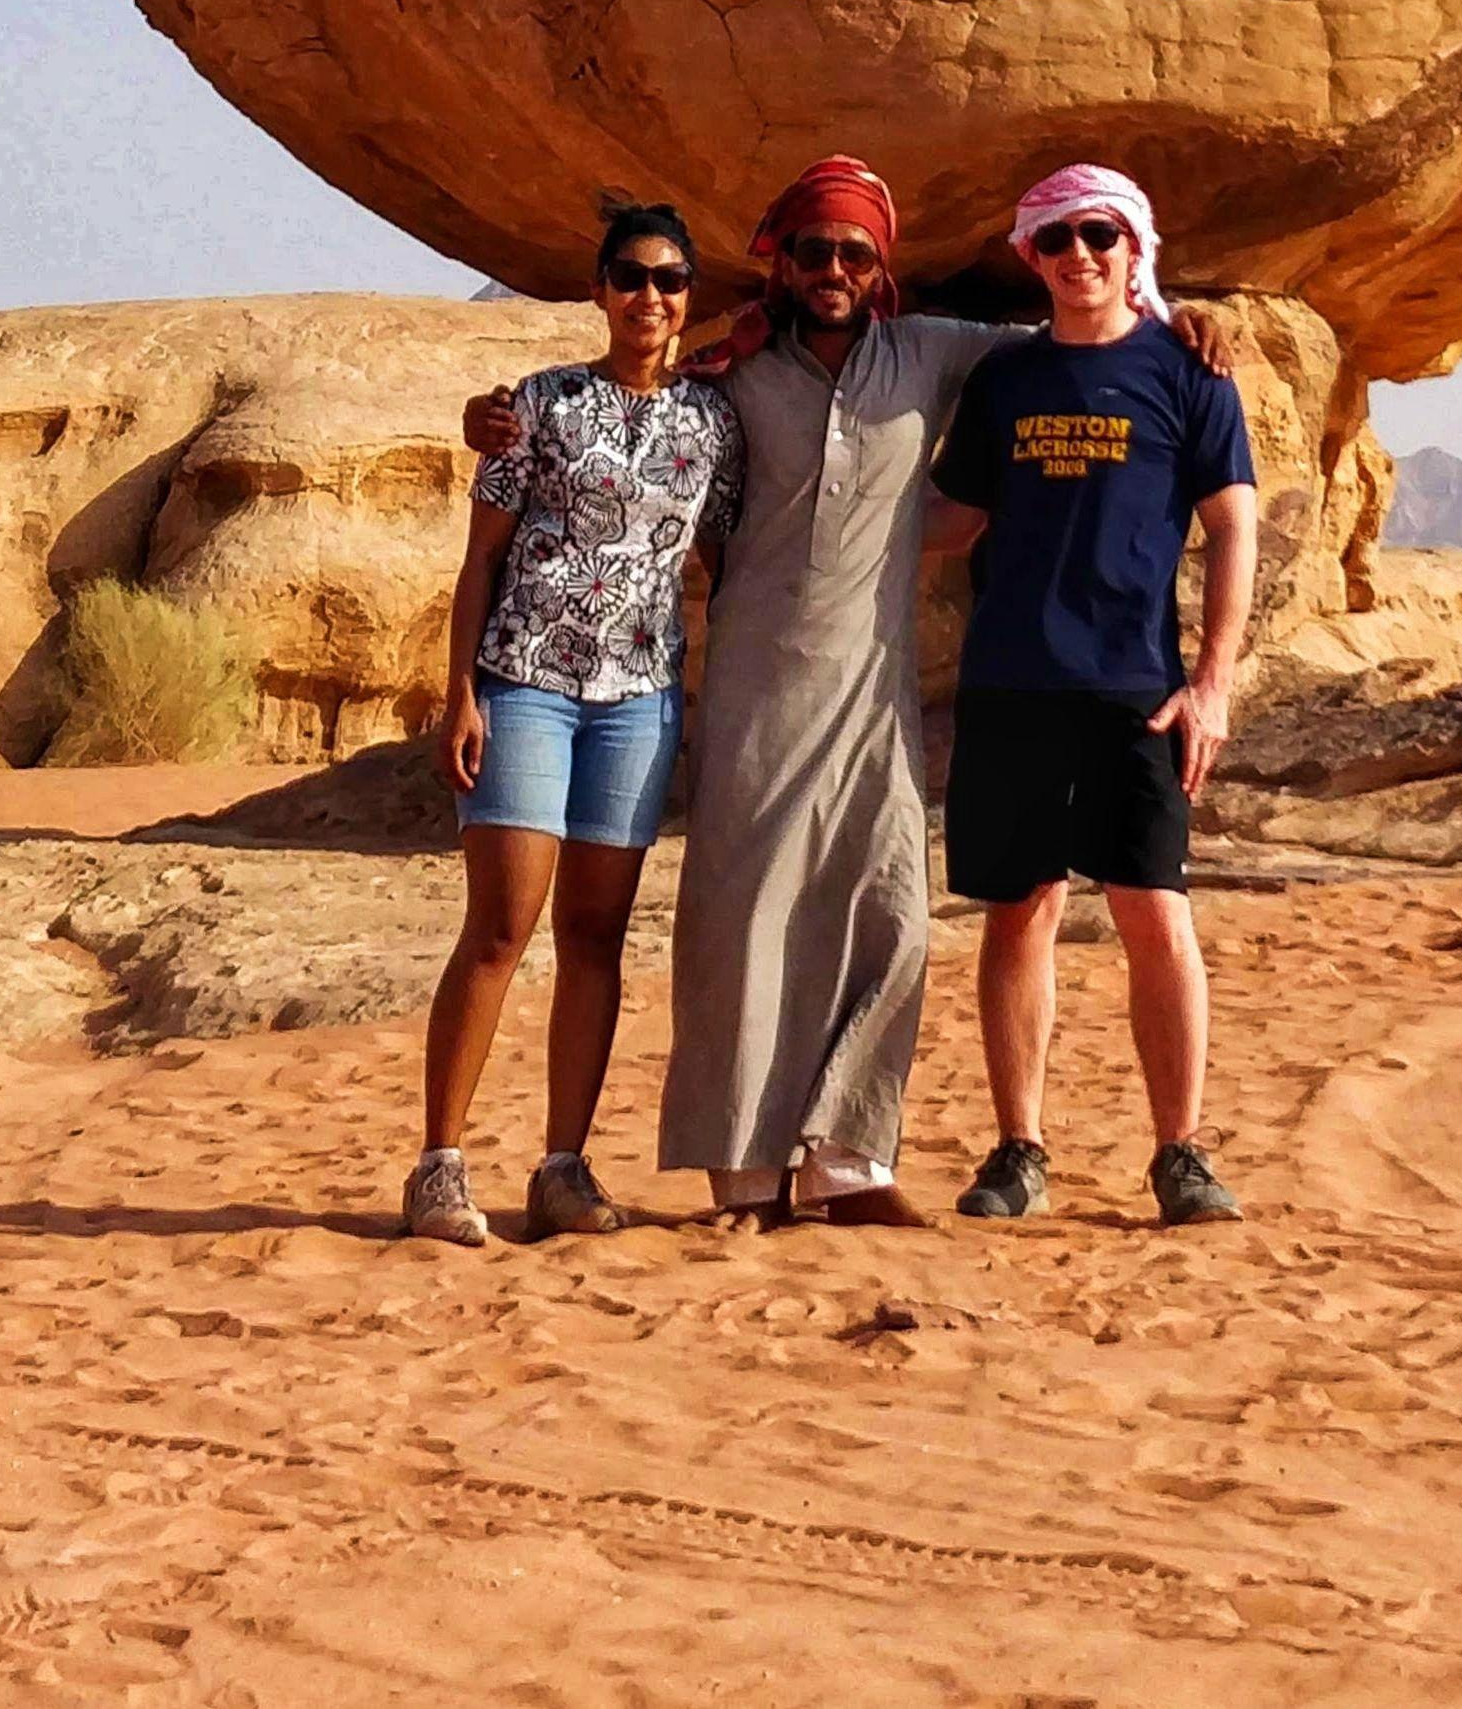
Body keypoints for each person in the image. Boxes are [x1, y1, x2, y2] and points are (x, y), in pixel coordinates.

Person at [461, 155, 1242, 1227]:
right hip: (750, 676)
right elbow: (624, 403)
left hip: (872, 686)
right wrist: (496, 418)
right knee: (742, 917)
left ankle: (847, 1160)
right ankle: (743, 1168)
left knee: (889, 913)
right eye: (815, 249)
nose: (834, 268)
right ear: (781, 262)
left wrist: (1178, 315)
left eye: (855, 253)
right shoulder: (728, 375)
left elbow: (1075, 331)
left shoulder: (931, 352)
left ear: (881, 269)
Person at [401, 204, 744, 1248]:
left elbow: (727, 559)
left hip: (637, 702)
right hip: (526, 684)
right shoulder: (542, 404)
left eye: (671, 280)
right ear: (599, 290)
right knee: (502, 926)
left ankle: (561, 1166)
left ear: (690, 296)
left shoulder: (713, 423)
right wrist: (460, 692)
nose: (651, 297)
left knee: (594, 937)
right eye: (631, 277)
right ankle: (438, 1168)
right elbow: (481, 557)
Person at [926, 162, 1258, 1228]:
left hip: (1137, 693)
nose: (1079, 256)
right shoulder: (1007, 381)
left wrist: (1213, 682)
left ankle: (1181, 1153)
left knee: (1155, 915)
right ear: (1031, 255)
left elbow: (1233, 524)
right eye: (1057, 239)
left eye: (1100, 236)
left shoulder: (1187, 370)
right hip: (1012, 682)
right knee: (1018, 914)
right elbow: (953, 520)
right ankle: (1020, 1148)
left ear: (1134, 249)